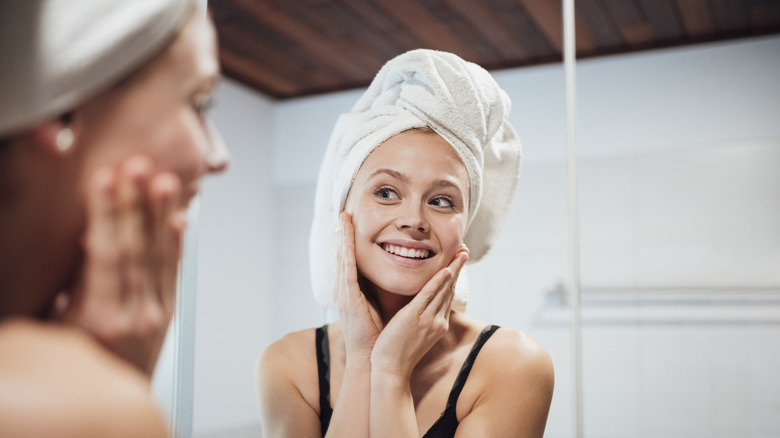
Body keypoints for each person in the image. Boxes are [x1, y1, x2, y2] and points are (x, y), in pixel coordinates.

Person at [258, 49, 554, 437]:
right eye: (386, 192)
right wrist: (363, 358)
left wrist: (390, 372)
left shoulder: (513, 365)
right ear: (342, 211)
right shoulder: (289, 366)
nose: (414, 220)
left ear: (464, 226)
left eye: (441, 200)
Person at [0, 1, 228, 436]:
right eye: (200, 103)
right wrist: (109, 387)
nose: (218, 157)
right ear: (60, 112)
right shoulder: (79, 410)